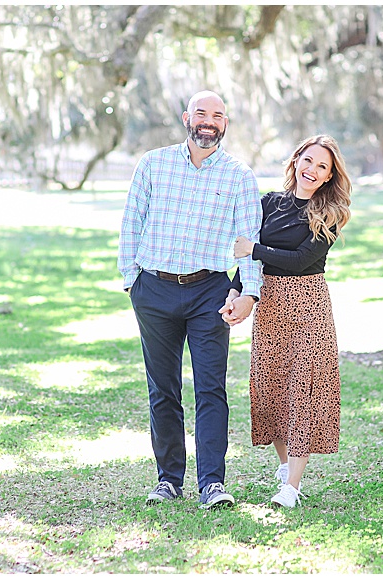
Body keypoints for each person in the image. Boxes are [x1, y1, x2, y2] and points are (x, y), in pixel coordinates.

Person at [118, 90, 263, 509]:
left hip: (210, 293)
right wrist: (133, 282)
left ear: (226, 124)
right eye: (201, 112)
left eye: (217, 115)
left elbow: (247, 241)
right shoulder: (154, 164)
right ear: (187, 117)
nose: (208, 121)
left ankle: (212, 483)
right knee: (162, 389)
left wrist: (249, 293)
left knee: (211, 388)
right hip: (154, 289)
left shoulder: (238, 175)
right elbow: (133, 220)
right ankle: (168, 480)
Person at [220, 134, 352, 508]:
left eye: (322, 166)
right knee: (271, 389)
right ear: (295, 161)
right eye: (308, 161)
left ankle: (291, 487)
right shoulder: (267, 204)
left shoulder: (329, 214)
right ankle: (285, 470)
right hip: (270, 304)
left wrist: (254, 249)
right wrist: (235, 291)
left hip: (308, 305)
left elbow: (299, 260)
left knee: (303, 391)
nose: (312, 170)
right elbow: (251, 263)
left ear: (329, 176)